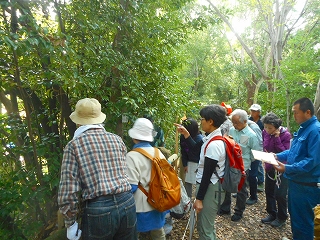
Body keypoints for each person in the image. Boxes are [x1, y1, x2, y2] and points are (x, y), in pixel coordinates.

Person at [58, 98, 137, 240]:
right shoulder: (117, 139)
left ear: (78, 121)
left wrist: (71, 223)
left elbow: (68, 189)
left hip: (99, 210)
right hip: (127, 203)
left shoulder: (73, 145)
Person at [175, 104, 227, 239]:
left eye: (203, 119)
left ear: (211, 121)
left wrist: (199, 199)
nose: (201, 122)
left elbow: (207, 175)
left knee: (205, 229)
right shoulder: (209, 137)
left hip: (210, 187)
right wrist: (186, 134)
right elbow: (195, 149)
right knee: (205, 225)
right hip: (209, 187)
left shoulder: (214, 145)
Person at [274, 97, 320, 240]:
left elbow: (312, 161)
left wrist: (287, 168)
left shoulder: (315, 131)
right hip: (295, 183)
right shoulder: (303, 129)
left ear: (307, 112)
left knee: (303, 222)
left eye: (296, 113)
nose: (294, 116)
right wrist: (276, 156)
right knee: (296, 218)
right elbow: (293, 151)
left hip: (306, 186)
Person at [125, 118, 167, 240]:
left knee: (134, 234)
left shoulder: (131, 156)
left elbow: (131, 186)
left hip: (140, 205)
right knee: (158, 233)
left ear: (134, 137)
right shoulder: (158, 153)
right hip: (158, 200)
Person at [218, 109, 261, 221]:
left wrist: (246, 163)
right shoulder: (232, 130)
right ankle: (225, 207)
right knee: (226, 184)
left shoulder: (251, 135)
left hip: (243, 166)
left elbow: (255, 153)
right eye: (233, 122)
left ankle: (239, 211)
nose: (234, 125)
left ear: (245, 121)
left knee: (241, 189)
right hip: (230, 163)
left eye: (237, 123)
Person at [260, 113, 291, 228]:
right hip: (270, 166)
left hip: (281, 167)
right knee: (269, 191)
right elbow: (266, 146)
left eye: (270, 128)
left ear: (276, 127)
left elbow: (286, 153)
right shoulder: (265, 133)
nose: (267, 130)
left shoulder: (286, 135)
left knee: (280, 194)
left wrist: (277, 138)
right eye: (266, 127)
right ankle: (272, 213)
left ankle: (282, 217)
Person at [179, 118, 204, 198]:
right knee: (188, 182)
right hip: (189, 161)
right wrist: (185, 163)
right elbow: (183, 150)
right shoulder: (182, 137)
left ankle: (198, 199)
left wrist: (188, 137)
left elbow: (195, 150)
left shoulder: (200, 138)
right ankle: (187, 200)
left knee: (198, 183)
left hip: (198, 162)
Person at [249, 104, 265, 192]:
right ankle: (250, 182)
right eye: (251, 111)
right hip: (251, 143)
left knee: (258, 164)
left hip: (260, 144)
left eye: (254, 111)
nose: (252, 113)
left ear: (258, 112)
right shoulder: (248, 120)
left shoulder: (262, 122)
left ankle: (261, 182)